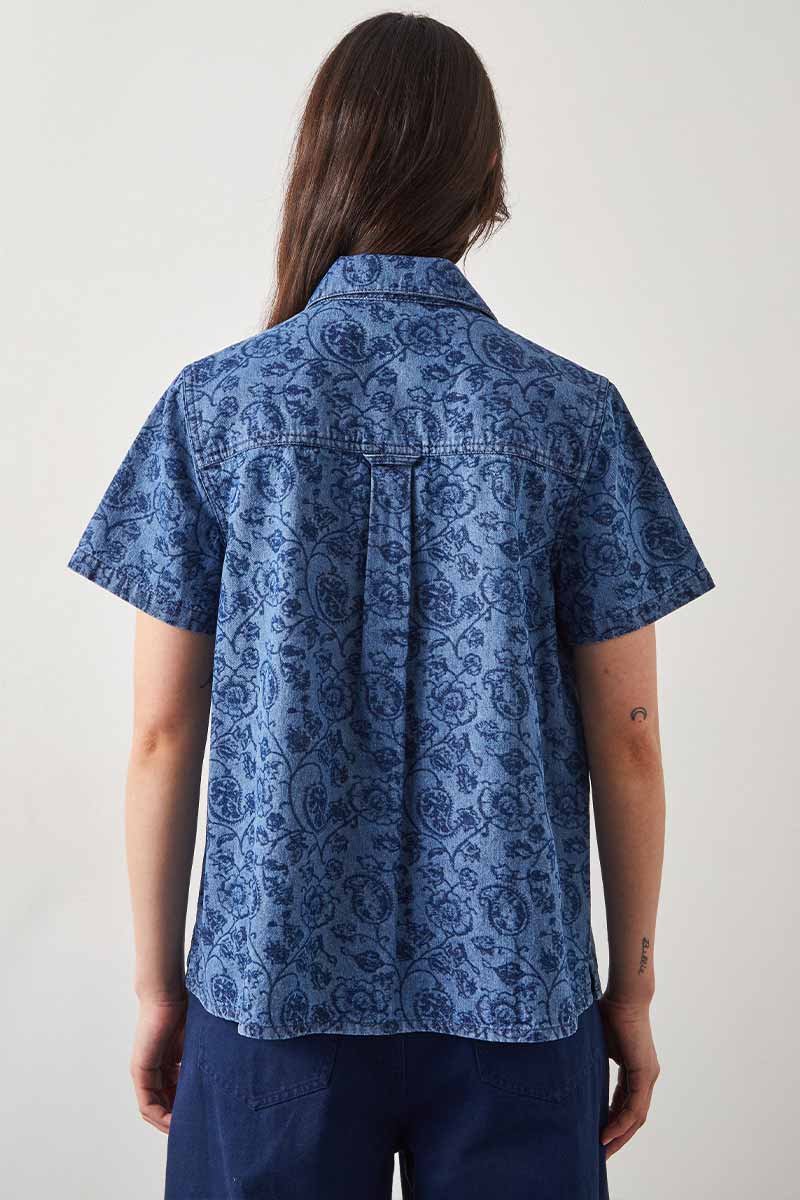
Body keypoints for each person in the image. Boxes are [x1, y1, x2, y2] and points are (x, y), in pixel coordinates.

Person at [66, 12, 715, 1199]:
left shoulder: (215, 408)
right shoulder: (571, 415)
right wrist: (628, 991)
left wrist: (160, 987)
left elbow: (161, 733)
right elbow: (626, 739)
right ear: (483, 176)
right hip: (517, 997)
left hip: (267, 992)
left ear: (322, 160)